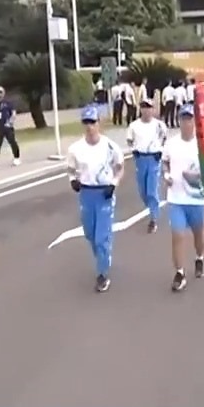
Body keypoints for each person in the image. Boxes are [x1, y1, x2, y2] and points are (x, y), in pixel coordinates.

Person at [68, 106, 126, 292]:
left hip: (104, 194)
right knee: (90, 234)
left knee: (101, 237)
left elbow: (120, 167)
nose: (89, 126)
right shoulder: (75, 149)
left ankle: (102, 274)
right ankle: (103, 256)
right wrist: (73, 180)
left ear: (98, 123)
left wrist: (114, 184)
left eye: (92, 122)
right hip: (86, 194)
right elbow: (71, 169)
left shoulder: (110, 147)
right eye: (86, 122)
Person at [162, 105, 204, 291]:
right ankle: (180, 273)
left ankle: (199, 257)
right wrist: (166, 175)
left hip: (196, 198)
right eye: (183, 119)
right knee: (178, 235)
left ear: (195, 121)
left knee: (198, 235)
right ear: (179, 121)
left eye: (189, 119)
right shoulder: (171, 144)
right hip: (176, 198)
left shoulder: (203, 144)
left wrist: (196, 177)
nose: (186, 123)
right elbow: (165, 162)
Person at [126, 99, 167, 233]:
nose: (146, 110)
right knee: (143, 191)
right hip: (140, 158)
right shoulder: (134, 126)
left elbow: (164, 138)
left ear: (153, 109)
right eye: (144, 107)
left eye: (149, 107)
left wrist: (160, 150)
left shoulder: (159, 125)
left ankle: (153, 219)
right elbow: (129, 140)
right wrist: (134, 150)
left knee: (151, 190)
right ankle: (151, 206)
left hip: (154, 158)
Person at [0, 86, 20, 170]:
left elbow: (13, 113)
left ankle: (17, 157)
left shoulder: (8, 103)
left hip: (7, 126)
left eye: (0, 92)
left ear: (4, 93)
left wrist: (10, 123)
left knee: (12, 142)